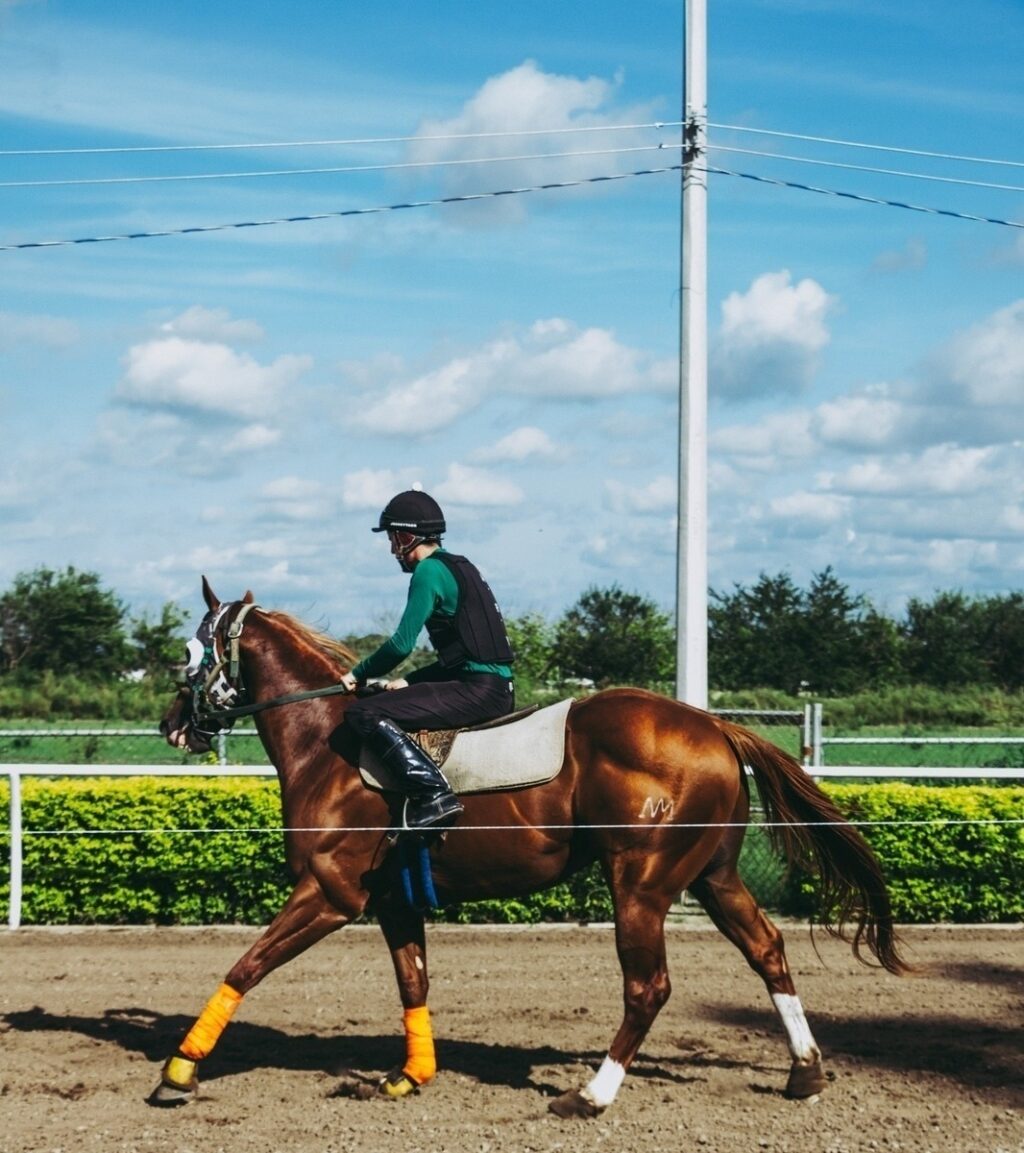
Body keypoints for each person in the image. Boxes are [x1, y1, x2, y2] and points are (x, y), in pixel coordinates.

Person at [340, 489, 515, 830]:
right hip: (494, 686)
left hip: (478, 691)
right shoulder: (460, 564)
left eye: (393, 540)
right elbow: (467, 657)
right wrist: (411, 681)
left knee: (362, 711)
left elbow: (401, 645)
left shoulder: (428, 572)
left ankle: (433, 794)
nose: (392, 550)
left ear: (407, 537)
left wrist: (357, 674)